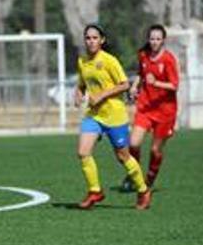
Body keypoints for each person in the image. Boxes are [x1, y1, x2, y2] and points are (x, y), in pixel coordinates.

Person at [74, 24, 152, 210]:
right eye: (88, 38)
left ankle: (143, 190)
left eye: (94, 38)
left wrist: (102, 95)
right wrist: (78, 92)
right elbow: (82, 83)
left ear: (102, 40)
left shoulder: (109, 60)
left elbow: (125, 84)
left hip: (114, 115)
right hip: (94, 115)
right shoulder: (82, 61)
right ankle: (95, 191)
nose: (91, 41)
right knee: (83, 152)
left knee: (122, 156)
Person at [121, 24, 179, 192]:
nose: (154, 42)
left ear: (163, 40)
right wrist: (134, 86)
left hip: (165, 112)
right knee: (133, 143)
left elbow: (174, 85)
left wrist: (157, 83)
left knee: (155, 150)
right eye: (152, 38)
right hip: (145, 107)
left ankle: (150, 178)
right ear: (148, 39)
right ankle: (135, 175)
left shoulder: (168, 59)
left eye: (158, 39)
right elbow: (141, 73)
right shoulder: (143, 55)